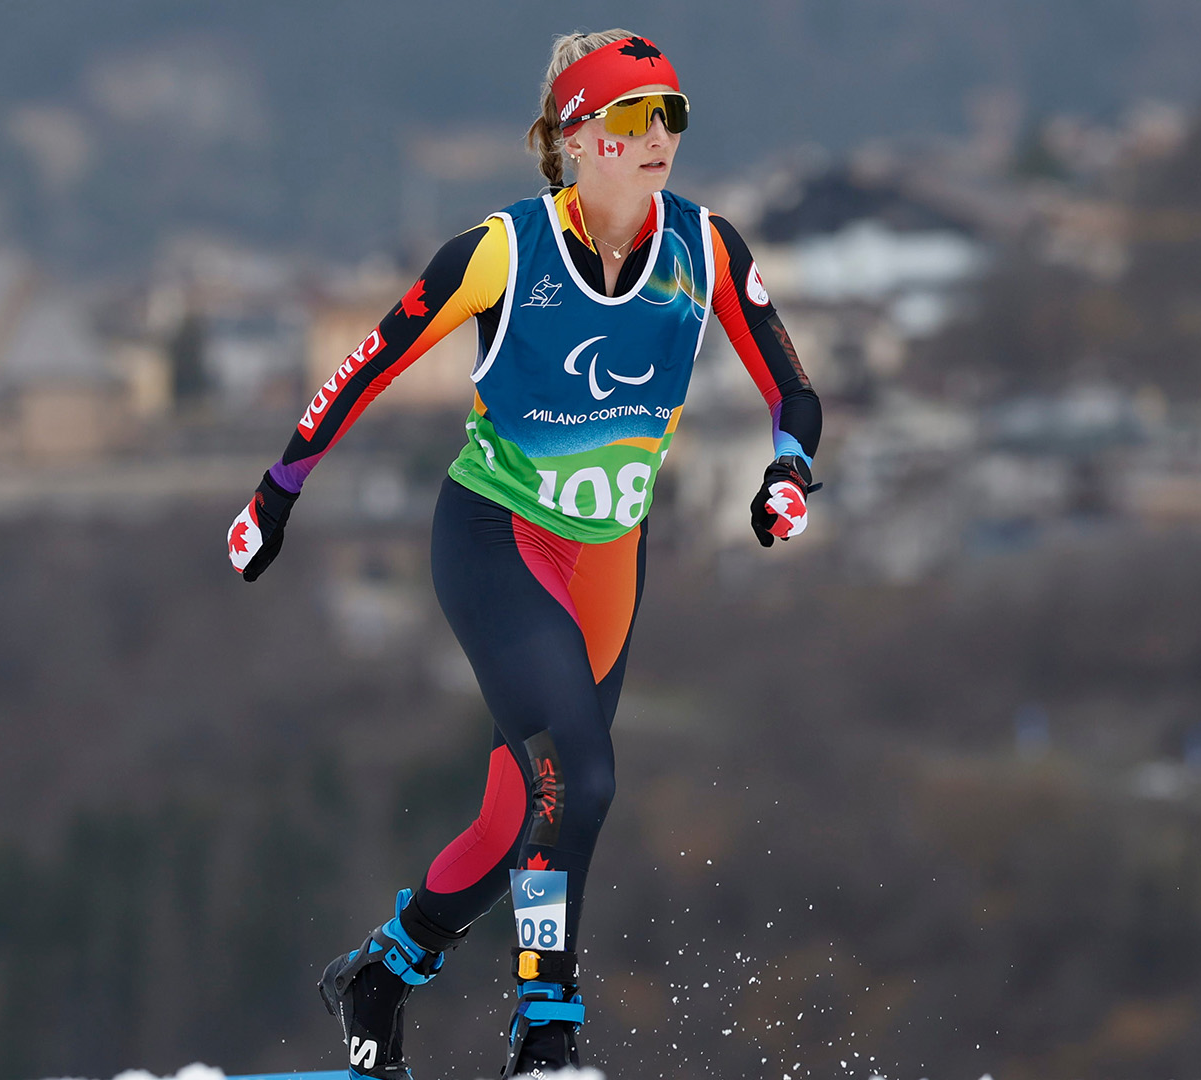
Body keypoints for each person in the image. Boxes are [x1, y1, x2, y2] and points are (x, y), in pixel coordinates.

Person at [226, 29, 822, 1079]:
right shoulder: (503, 251)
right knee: (581, 782)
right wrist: (279, 492)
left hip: (608, 565)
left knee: (522, 819)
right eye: (635, 119)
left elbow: (794, 389)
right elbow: (368, 362)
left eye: (672, 116)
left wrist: (785, 470)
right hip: (496, 542)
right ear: (577, 138)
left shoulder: (707, 250)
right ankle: (546, 1022)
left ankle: (384, 969)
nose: (660, 139)